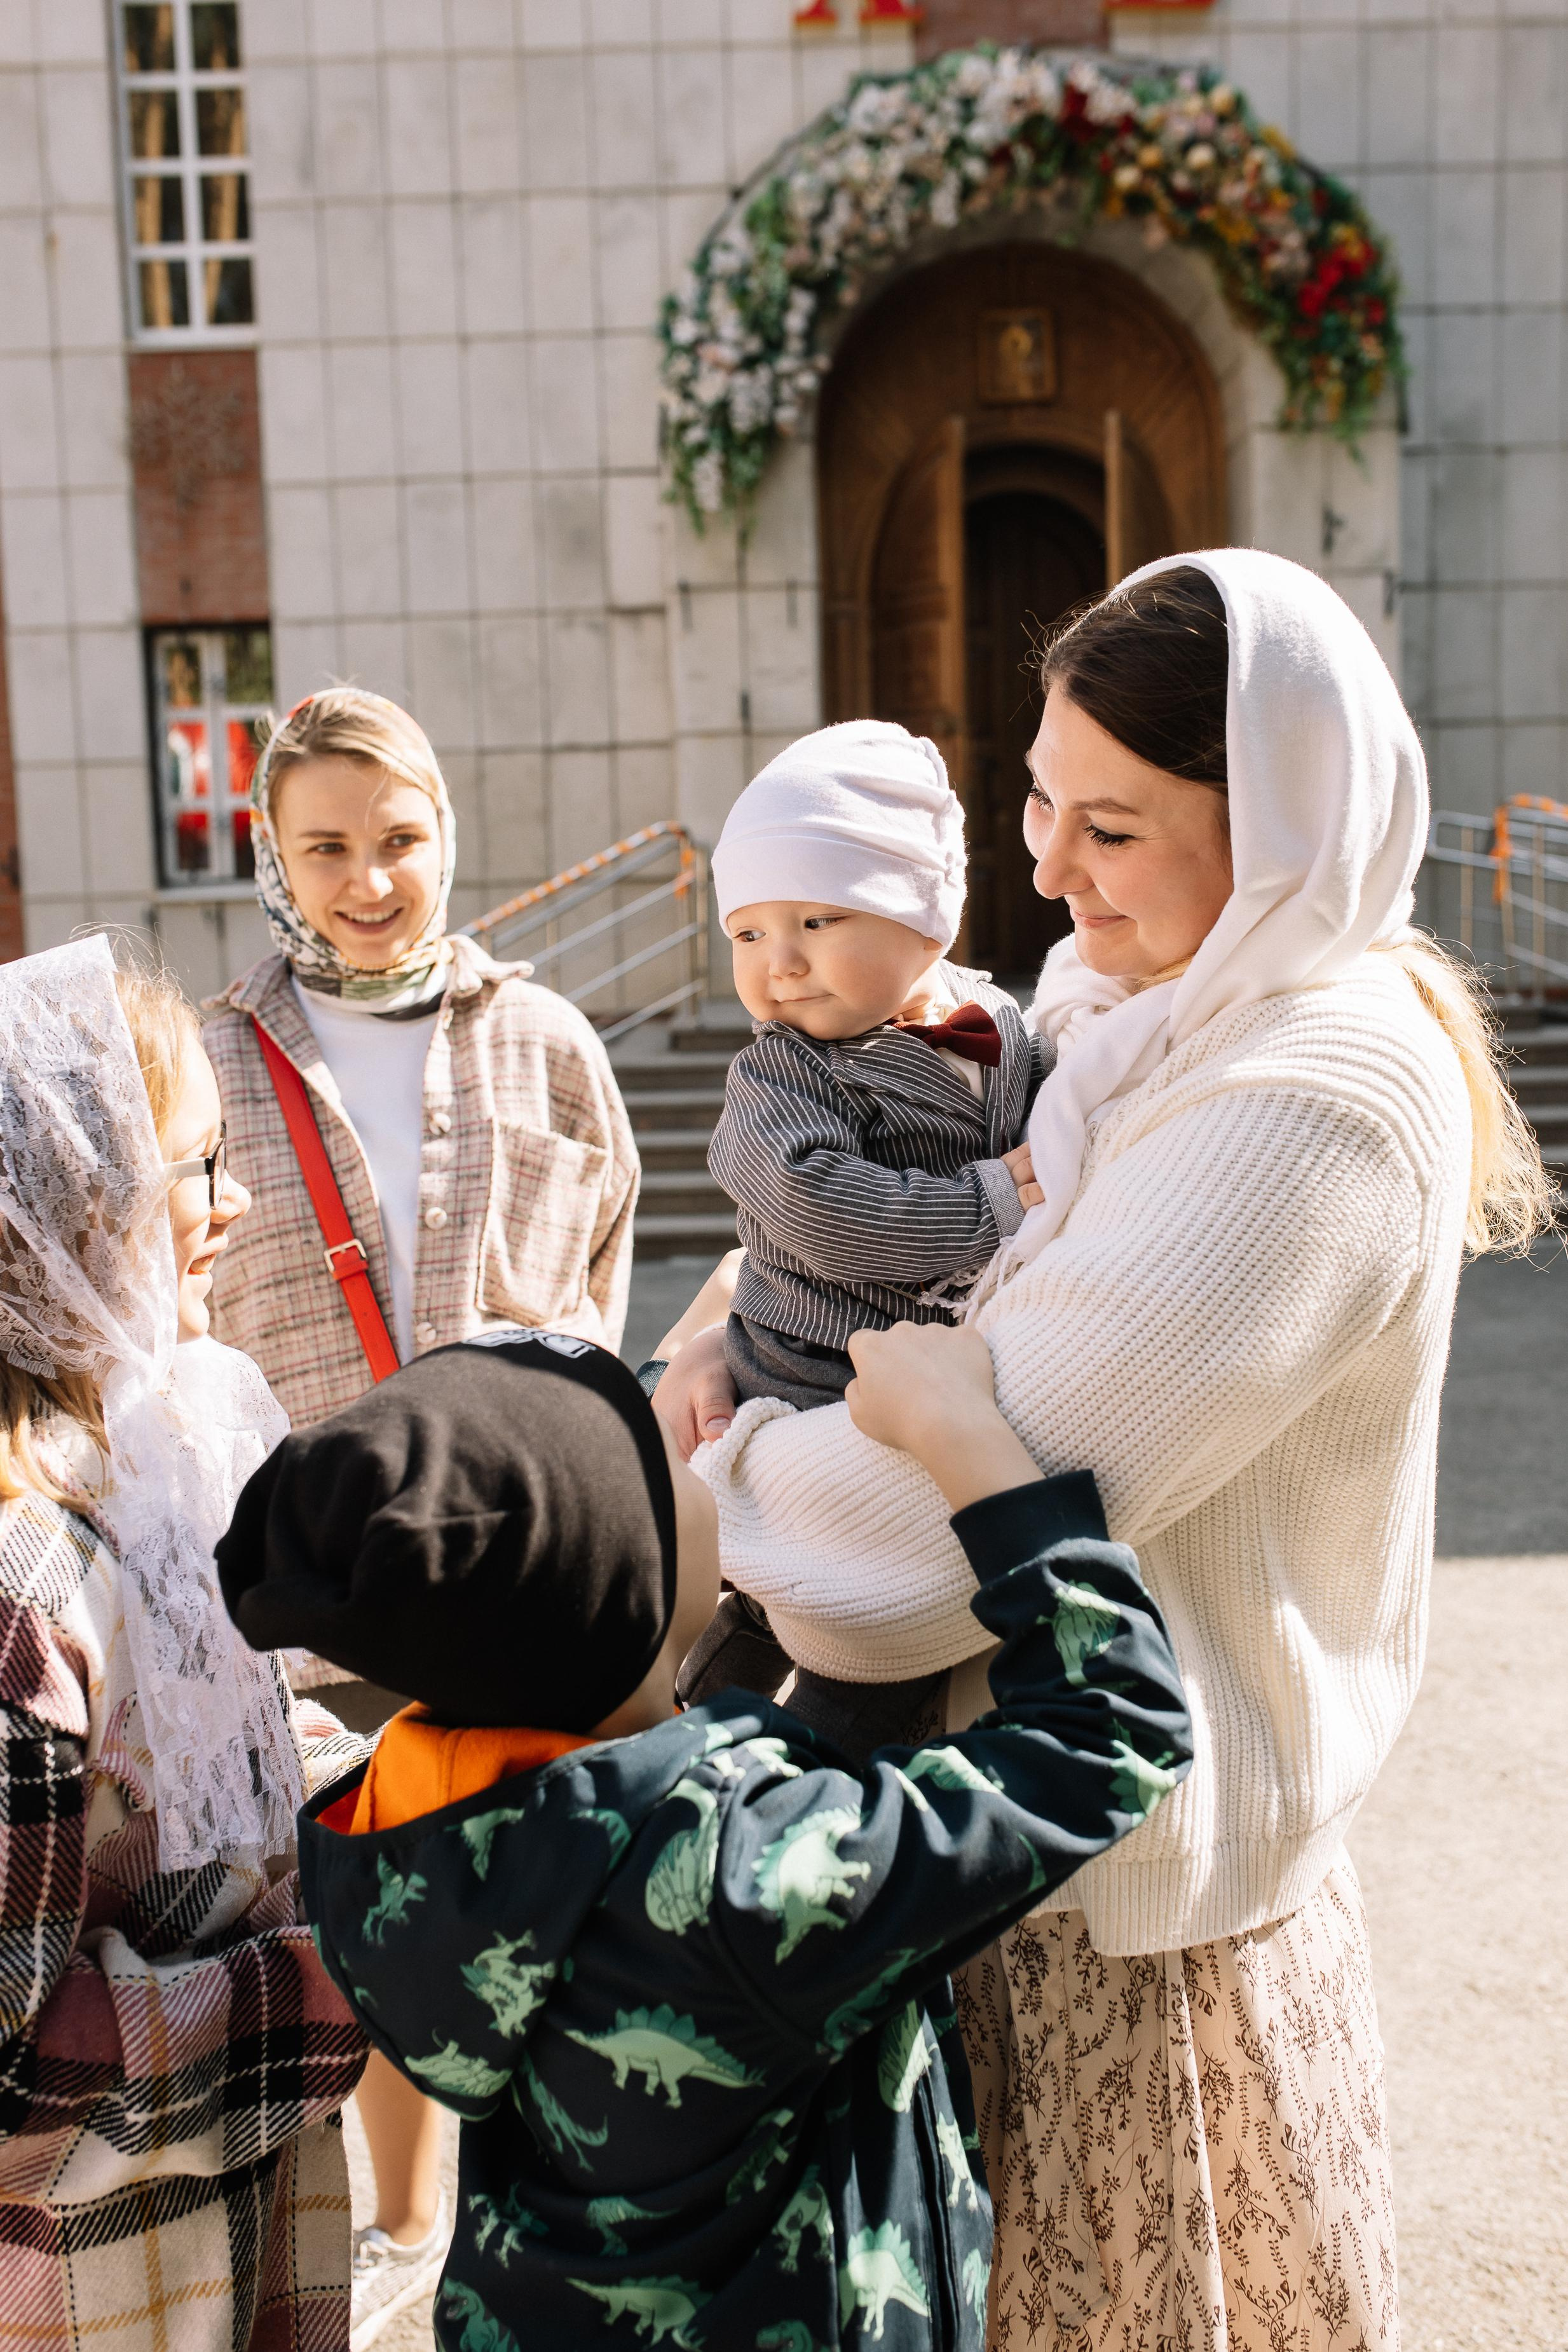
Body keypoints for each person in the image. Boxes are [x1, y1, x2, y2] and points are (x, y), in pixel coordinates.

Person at [655, 552, 1556, 2348]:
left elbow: (918, 1559)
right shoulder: (1121, 1009)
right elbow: (841, 1258)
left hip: (1137, 1941)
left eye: (1115, 827)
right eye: (1039, 804)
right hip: (1010, 1870)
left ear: (1285, 819)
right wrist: (720, 1330)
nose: (1049, 868)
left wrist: (708, 1477)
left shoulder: (1305, 1086)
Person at [214, 1323, 1192, 2352]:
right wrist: (963, 1439)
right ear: (623, 1585)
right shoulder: (746, 1881)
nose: (685, 1454)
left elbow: (639, 1757)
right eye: (651, 1448)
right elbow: (1111, 1732)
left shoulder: (402, 1835)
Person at [201, 686, 641, 2337]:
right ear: (276, 854)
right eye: (328, 846)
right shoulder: (217, 1056)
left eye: (398, 838)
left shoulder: (549, 1039)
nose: (370, 876)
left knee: (536, 1894)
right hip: (319, 1580)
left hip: (520, 1561)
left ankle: (526, 2225)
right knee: (370, 1906)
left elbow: (601, 1293)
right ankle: (399, 2235)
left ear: (444, 827)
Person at [0, 936, 367, 2352]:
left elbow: (234, 1777)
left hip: (222, 2250)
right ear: (70, 1208)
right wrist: (347, 1974)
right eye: (195, 1170)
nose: (240, 1202)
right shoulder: (30, 1582)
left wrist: (436, 1794)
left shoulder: (155, 1468)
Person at [707, 720, 1045, 1414]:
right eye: (748, 934)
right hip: (816, 1362)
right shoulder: (779, 1074)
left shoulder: (999, 1018)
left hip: (964, 1342)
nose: (781, 963)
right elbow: (818, 1205)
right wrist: (983, 1206)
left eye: (816, 922)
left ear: (926, 922)